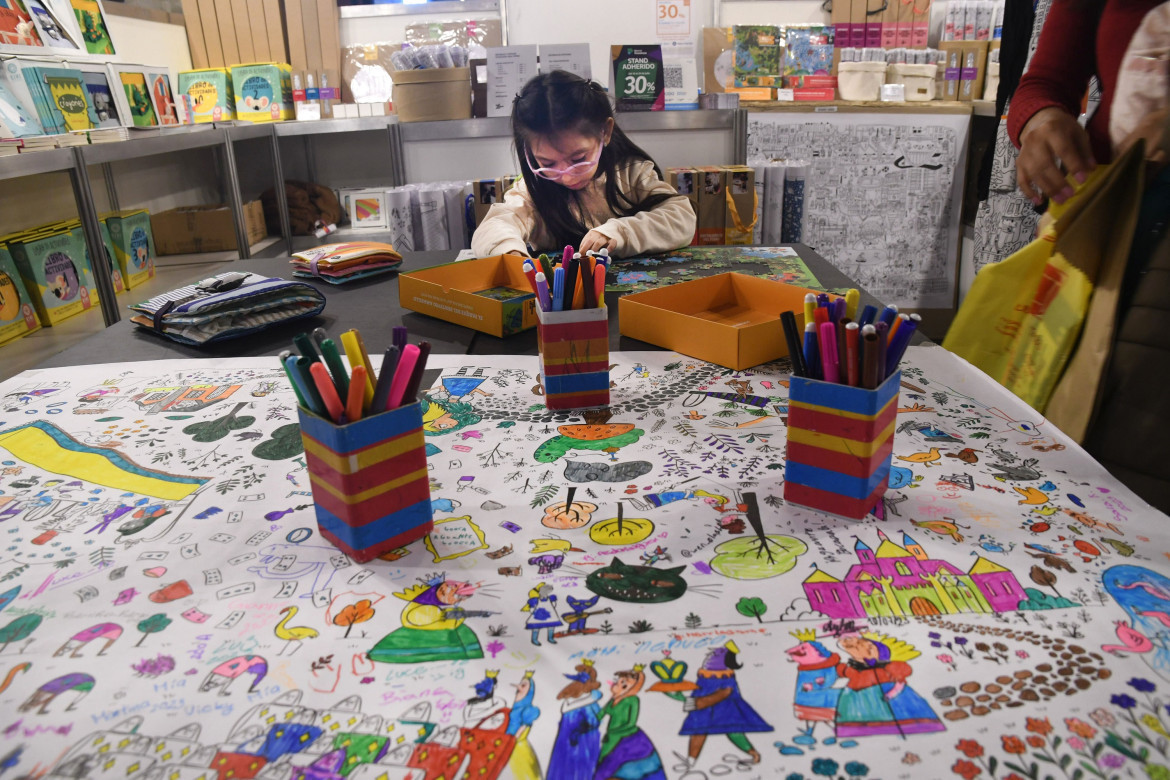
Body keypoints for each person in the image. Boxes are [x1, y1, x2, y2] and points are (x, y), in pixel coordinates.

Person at [470, 70, 696, 259]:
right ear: (528, 151)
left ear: (604, 132)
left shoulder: (631, 174)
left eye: (578, 159)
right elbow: (493, 227)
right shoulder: (534, 191)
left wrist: (619, 232)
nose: (567, 176)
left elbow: (681, 218)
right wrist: (508, 252)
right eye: (547, 163)